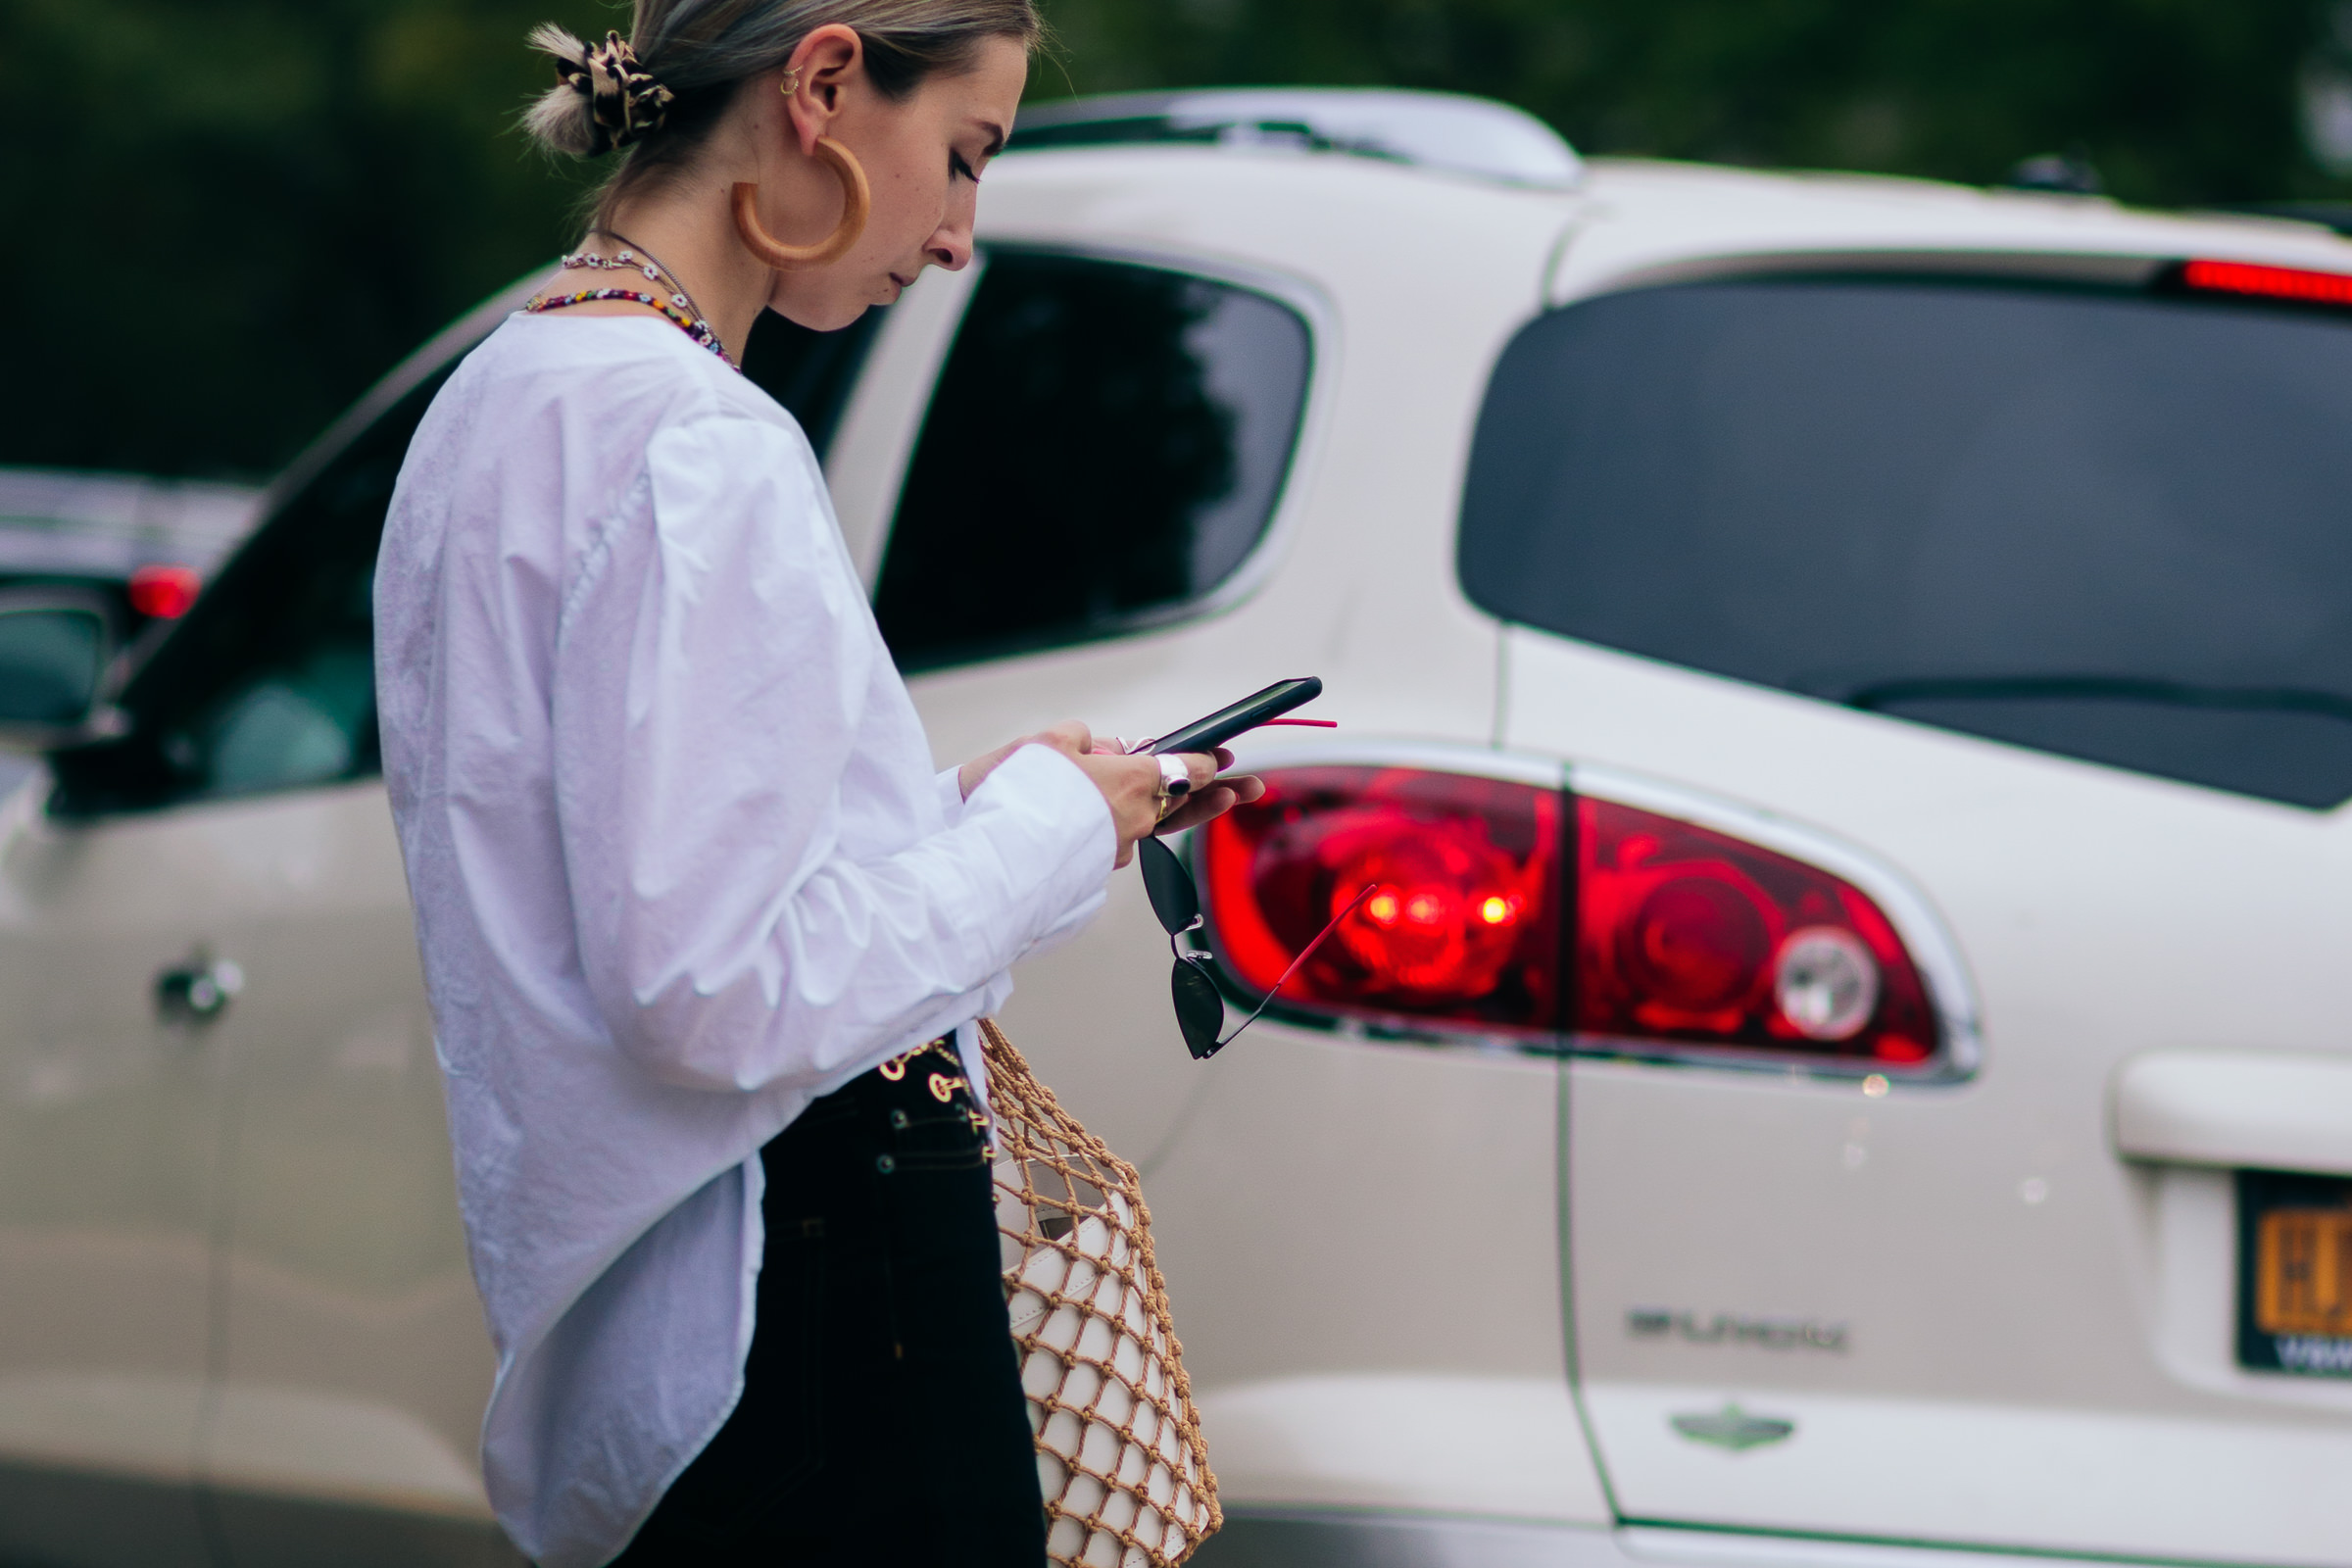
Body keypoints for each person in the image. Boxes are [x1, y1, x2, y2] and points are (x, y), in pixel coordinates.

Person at [371, 4, 1262, 1565]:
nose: (958, 236)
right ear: (828, 83)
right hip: (811, 1290)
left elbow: (636, 876)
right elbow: (711, 989)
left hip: (671, 1308)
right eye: (963, 159)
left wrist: (947, 813)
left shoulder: (491, 404)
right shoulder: (697, 439)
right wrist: (1049, 835)